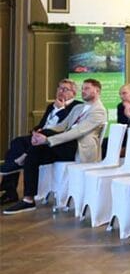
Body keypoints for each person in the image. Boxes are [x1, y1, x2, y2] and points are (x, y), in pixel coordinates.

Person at [4, 78, 109, 215]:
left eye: (87, 88)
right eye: (82, 88)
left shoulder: (99, 111)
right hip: (65, 145)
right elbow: (62, 126)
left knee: (43, 139)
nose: (83, 91)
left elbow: (77, 132)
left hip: (78, 148)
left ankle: (21, 159)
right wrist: (40, 134)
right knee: (34, 153)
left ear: (97, 91)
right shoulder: (79, 108)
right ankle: (28, 199)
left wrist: (47, 139)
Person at [1, 79, 81, 204]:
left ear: (74, 93)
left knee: (25, 147)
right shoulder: (51, 105)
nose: (61, 91)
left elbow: (65, 128)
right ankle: (9, 190)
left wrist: (60, 110)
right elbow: (43, 124)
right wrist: (36, 131)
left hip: (55, 142)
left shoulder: (77, 106)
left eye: (65, 89)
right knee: (17, 143)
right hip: (41, 137)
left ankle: (17, 169)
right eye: (59, 88)